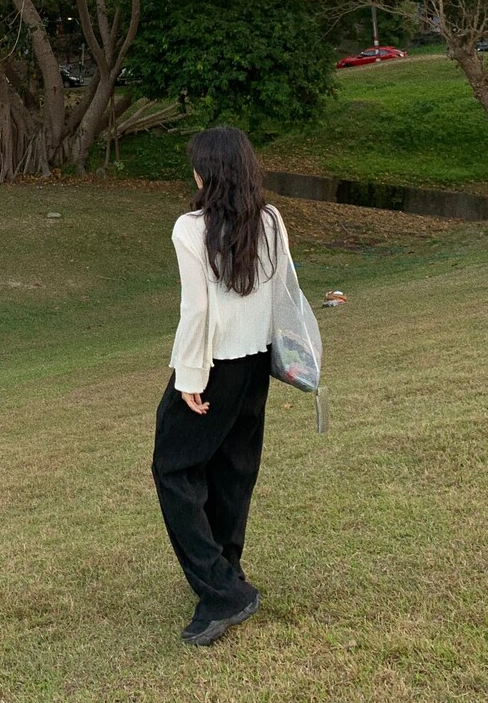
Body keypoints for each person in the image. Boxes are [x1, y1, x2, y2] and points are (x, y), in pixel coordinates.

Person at [152, 125, 298, 647]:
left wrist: (190, 376)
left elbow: (196, 310)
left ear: (207, 173)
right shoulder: (270, 218)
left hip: (215, 366)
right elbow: (283, 293)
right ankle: (226, 572)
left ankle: (223, 589)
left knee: (173, 468)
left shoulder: (190, 228)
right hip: (255, 363)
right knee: (233, 468)